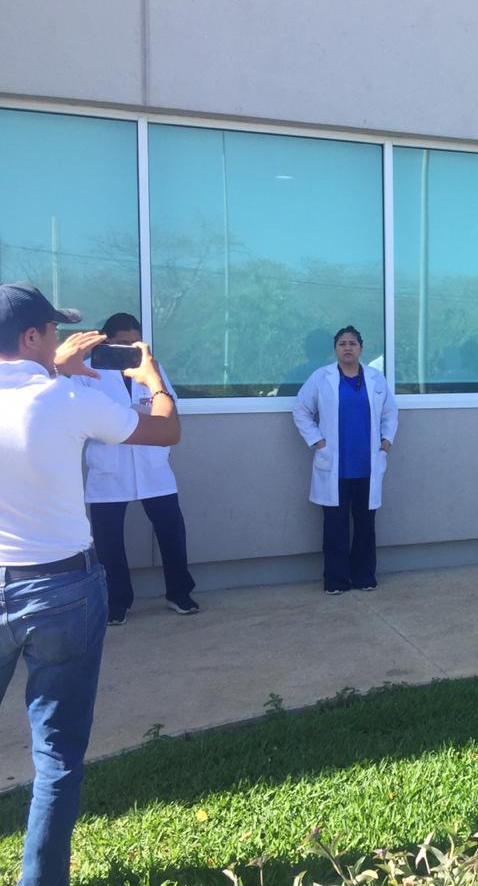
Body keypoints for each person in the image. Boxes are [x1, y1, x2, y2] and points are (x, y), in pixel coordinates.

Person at [0, 282, 179, 886]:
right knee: (56, 758)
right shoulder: (66, 398)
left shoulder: (60, 388)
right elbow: (164, 431)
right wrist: (151, 377)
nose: (62, 340)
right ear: (31, 337)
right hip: (61, 591)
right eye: (53, 331)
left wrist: (59, 369)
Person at [75, 312, 198, 624]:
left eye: (135, 343)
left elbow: (168, 403)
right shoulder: (86, 371)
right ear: (105, 343)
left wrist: (139, 411)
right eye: (122, 343)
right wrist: (120, 420)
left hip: (152, 465)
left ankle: (179, 593)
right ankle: (117, 602)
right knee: (108, 541)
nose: (130, 349)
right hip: (109, 467)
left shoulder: (150, 368)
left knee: (172, 531)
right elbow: (77, 414)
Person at [292, 326, 399, 593]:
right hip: (335, 466)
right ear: (335, 349)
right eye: (342, 343)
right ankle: (336, 580)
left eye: (352, 343)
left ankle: (364, 577)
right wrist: (318, 441)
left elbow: (390, 413)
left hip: (367, 465)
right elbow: (301, 410)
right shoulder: (322, 377)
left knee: (365, 526)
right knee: (335, 527)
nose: (347, 347)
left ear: (361, 348)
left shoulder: (375, 378)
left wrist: (386, 441)